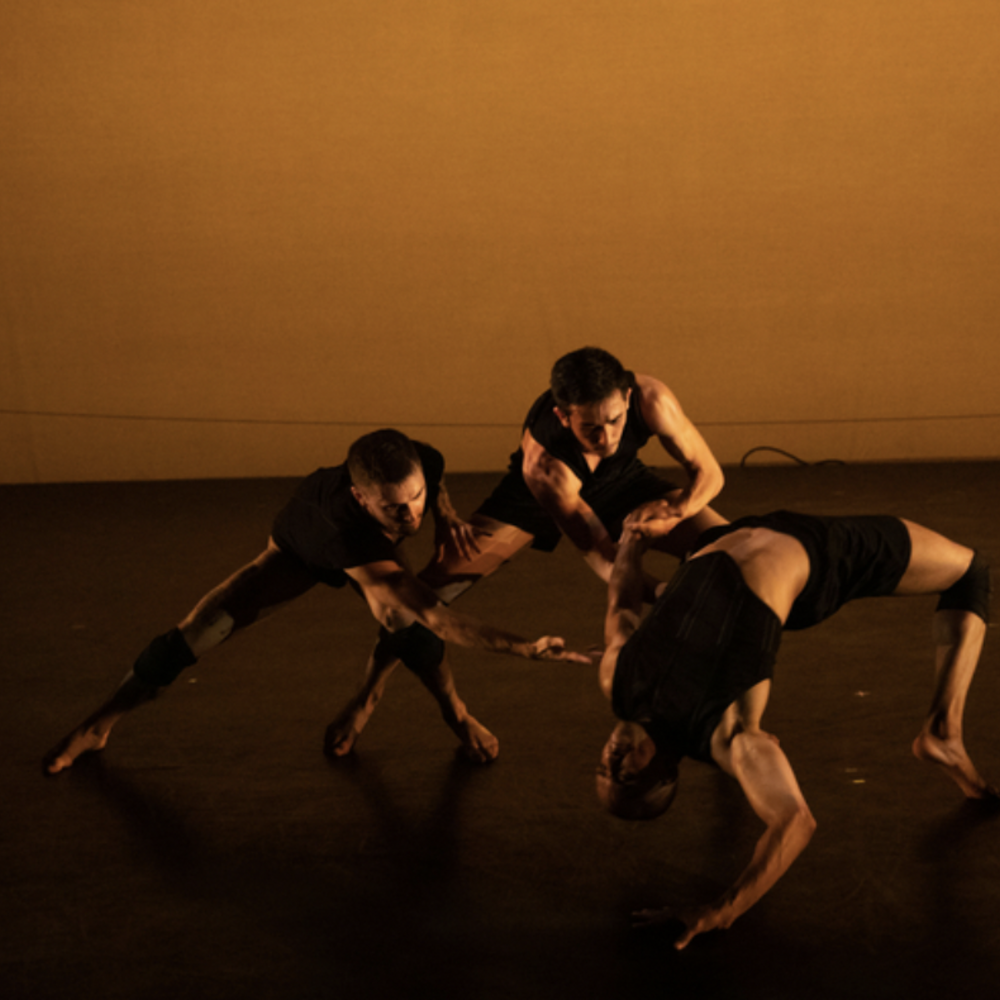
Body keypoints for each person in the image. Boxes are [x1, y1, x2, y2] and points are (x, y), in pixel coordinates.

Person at [44, 429, 590, 775]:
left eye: (416, 497)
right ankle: (97, 725)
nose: (411, 516)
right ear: (361, 498)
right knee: (197, 631)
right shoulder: (343, 533)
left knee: (403, 625)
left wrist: (444, 513)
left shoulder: (418, 461)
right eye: (394, 509)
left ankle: (440, 712)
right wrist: (525, 648)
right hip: (301, 546)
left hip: (364, 542)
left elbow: (434, 473)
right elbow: (437, 617)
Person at [596, 498, 994, 950]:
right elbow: (794, 822)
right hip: (817, 554)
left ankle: (943, 732)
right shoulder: (725, 733)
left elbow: (621, 606)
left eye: (602, 769)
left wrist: (631, 542)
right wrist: (723, 910)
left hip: (730, 537)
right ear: (666, 772)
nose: (612, 760)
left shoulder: (619, 683)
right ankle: (943, 731)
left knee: (660, 494)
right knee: (970, 572)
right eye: (625, 776)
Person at [327, 347, 727, 755]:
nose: (607, 437)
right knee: (410, 606)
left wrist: (675, 511)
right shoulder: (544, 467)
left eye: (615, 421)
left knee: (728, 550)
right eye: (590, 428)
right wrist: (666, 594)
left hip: (624, 486)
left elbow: (710, 475)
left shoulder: (651, 399)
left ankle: (725, 708)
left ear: (626, 398)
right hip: (532, 502)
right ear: (563, 416)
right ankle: (366, 697)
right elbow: (607, 561)